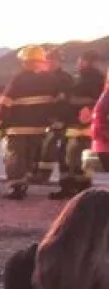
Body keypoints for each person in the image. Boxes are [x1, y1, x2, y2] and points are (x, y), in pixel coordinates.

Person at [0, 45, 62, 200]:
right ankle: (25, 184)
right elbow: (57, 103)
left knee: (15, 158)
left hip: (16, 129)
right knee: (31, 158)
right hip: (39, 129)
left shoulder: (20, 78)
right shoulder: (51, 80)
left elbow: (5, 102)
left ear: (27, 61)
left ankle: (16, 189)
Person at [50, 51, 106, 200]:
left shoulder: (90, 78)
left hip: (78, 126)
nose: (77, 63)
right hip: (78, 125)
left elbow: (86, 100)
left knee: (71, 157)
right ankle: (78, 189)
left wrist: (67, 100)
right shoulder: (95, 77)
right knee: (76, 157)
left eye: (79, 60)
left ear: (85, 61)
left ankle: (73, 189)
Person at [33, 48, 75, 186]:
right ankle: (38, 175)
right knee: (41, 148)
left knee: (53, 148)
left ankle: (50, 177)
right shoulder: (42, 77)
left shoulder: (64, 78)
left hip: (58, 120)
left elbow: (65, 100)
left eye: (51, 60)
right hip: (43, 119)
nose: (48, 63)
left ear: (57, 61)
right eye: (47, 60)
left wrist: (59, 119)